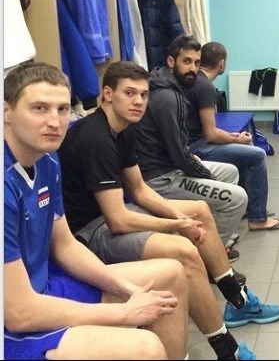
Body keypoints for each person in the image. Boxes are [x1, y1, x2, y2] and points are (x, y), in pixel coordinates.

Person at [58, 61, 279, 360]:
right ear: (108, 94)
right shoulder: (95, 137)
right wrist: (176, 226)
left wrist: (179, 217)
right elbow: (118, 220)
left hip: (113, 211)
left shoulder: (123, 129)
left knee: (199, 210)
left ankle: (236, 300)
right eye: (129, 93)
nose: (138, 101)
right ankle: (227, 350)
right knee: (184, 251)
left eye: (143, 94)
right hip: (90, 231)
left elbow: (139, 190)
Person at [4, 62, 189, 361]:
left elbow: (64, 245)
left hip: (42, 285)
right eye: (39, 108)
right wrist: (123, 312)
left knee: (170, 276)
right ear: (6, 111)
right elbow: (19, 314)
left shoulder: (47, 161)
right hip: (11, 322)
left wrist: (127, 289)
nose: (54, 121)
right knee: (146, 348)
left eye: (63, 109)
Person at [134, 36, 249, 250]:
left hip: (171, 165)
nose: (193, 69)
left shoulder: (170, 86)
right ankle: (211, 253)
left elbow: (177, 148)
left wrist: (193, 162)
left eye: (197, 63)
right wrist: (204, 173)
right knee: (238, 198)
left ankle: (210, 235)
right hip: (161, 178)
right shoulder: (167, 97)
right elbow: (178, 153)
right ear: (171, 62)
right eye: (186, 61)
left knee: (231, 172)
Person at [192, 42, 279, 232]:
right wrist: (237, 140)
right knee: (257, 155)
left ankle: (246, 208)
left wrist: (232, 136)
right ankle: (258, 219)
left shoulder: (197, 82)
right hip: (196, 148)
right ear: (222, 63)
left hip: (196, 141)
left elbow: (204, 129)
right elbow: (210, 134)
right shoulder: (205, 87)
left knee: (244, 152)